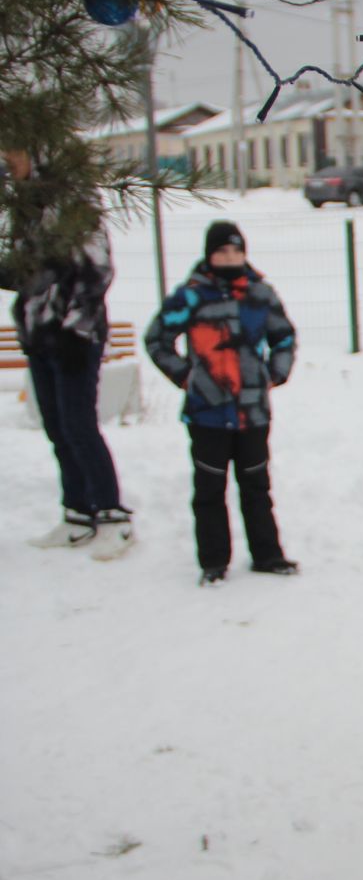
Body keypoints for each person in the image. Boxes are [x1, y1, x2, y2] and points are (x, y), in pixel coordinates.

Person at [143, 221, 298, 584]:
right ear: (209, 255)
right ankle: (213, 561)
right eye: (222, 252)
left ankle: (267, 554)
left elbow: (284, 337)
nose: (229, 258)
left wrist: (273, 374)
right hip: (207, 413)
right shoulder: (191, 296)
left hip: (252, 411)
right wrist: (186, 376)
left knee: (256, 485)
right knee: (210, 489)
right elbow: (157, 339)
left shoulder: (260, 294)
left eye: (235, 251)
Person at [5, 150, 133, 557]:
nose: (9, 161)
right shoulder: (26, 207)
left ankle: (113, 515)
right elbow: (30, 273)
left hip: (75, 337)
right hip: (38, 334)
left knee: (79, 426)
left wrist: (75, 329)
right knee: (56, 426)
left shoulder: (74, 201)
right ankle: (78, 513)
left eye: (14, 153)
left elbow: (98, 269)